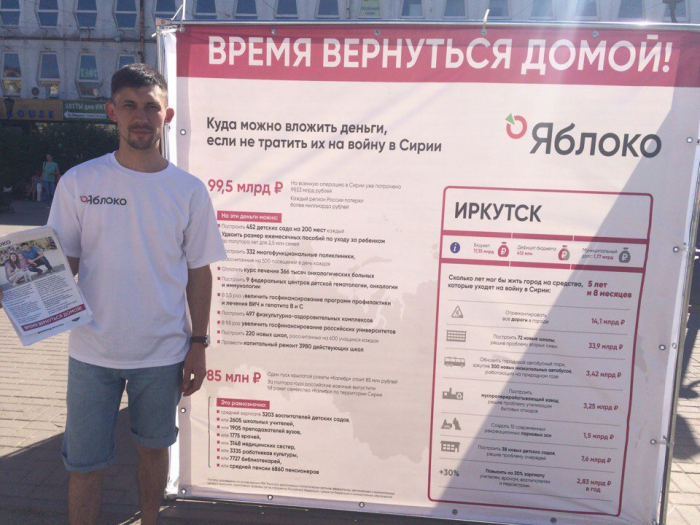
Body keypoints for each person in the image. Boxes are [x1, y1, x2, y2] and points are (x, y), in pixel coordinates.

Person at [45, 63, 226, 525]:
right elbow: (63, 262)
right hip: (91, 351)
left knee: (153, 451)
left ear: (167, 116)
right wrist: (23, 290)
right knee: (83, 465)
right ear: (112, 112)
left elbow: (199, 272)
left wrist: (198, 344)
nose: (140, 116)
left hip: (162, 353)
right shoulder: (79, 182)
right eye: (129, 106)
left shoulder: (188, 191)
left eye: (151, 107)